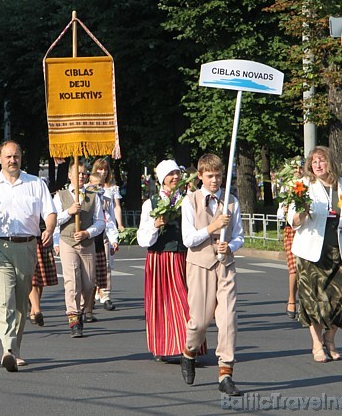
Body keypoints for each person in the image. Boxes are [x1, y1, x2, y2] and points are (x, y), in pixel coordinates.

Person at [0, 140, 57, 371]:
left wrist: (50, 229)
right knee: (5, 298)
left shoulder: (35, 183)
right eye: (8, 157)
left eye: (16, 156)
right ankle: (8, 349)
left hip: (27, 246)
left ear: (21, 158)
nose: (12, 160)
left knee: (21, 302)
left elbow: (50, 211)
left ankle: (16, 349)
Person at [287, 146, 342, 363]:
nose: (318, 165)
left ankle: (330, 338)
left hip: (338, 249)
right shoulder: (304, 187)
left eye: (322, 161)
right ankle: (316, 343)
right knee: (313, 300)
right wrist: (300, 214)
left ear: (330, 162)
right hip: (311, 251)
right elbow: (291, 216)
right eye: (314, 162)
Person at [180, 154, 244, 396]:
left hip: (225, 265)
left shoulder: (232, 202)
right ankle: (189, 352)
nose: (215, 180)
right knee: (199, 321)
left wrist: (231, 246)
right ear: (200, 176)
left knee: (228, 320)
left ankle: (225, 373)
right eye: (210, 176)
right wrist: (212, 228)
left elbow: (239, 235)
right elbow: (189, 239)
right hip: (200, 265)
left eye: (218, 175)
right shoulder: (190, 201)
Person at [137, 160, 205, 363]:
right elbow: (143, 239)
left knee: (188, 303)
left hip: (184, 256)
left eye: (177, 173)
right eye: (171, 174)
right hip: (160, 258)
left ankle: (190, 348)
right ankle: (162, 345)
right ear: (162, 179)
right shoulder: (151, 204)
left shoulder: (188, 200)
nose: (175, 177)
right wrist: (156, 225)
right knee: (161, 304)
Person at [53, 159, 106, 337]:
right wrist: (69, 212)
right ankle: (73, 317)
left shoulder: (93, 196)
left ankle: (81, 309)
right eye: (78, 173)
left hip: (86, 242)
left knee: (89, 283)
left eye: (84, 173)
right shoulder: (61, 196)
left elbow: (100, 222)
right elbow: (54, 220)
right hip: (67, 241)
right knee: (72, 281)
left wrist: (87, 233)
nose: (81, 176)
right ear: (70, 175)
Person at [90, 161, 121, 311]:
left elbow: (109, 218)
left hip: (104, 234)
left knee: (106, 264)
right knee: (91, 267)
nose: (98, 189)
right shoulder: (86, 196)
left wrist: (114, 237)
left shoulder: (106, 197)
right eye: (95, 185)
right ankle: (92, 293)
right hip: (90, 235)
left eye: (101, 186)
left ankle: (105, 294)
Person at [276, 158, 304, 319]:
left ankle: (306, 302)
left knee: (306, 267)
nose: (298, 171)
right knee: (293, 266)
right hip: (291, 230)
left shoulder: (310, 186)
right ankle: (292, 299)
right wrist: (284, 210)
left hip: (306, 229)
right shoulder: (286, 188)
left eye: (300, 168)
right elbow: (279, 214)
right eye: (294, 169)